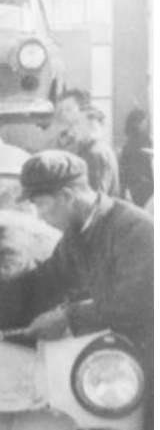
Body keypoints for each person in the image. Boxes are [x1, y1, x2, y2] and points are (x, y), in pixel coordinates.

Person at [15, 150, 153, 353]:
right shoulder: (77, 232)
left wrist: (68, 316)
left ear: (67, 196)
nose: (40, 216)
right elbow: (48, 279)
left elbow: (132, 303)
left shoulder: (136, 230)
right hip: (118, 353)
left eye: (41, 204)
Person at [77, 107, 121, 197]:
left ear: (90, 126)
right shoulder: (101, 148)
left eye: (79, 124)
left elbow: (97, 193)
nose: (76, 128)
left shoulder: (94, 153)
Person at [118, 108, 153, 209]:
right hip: (141, 188)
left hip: (140, 187)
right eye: (143, 121)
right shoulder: (141, 142)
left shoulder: (130, 144)